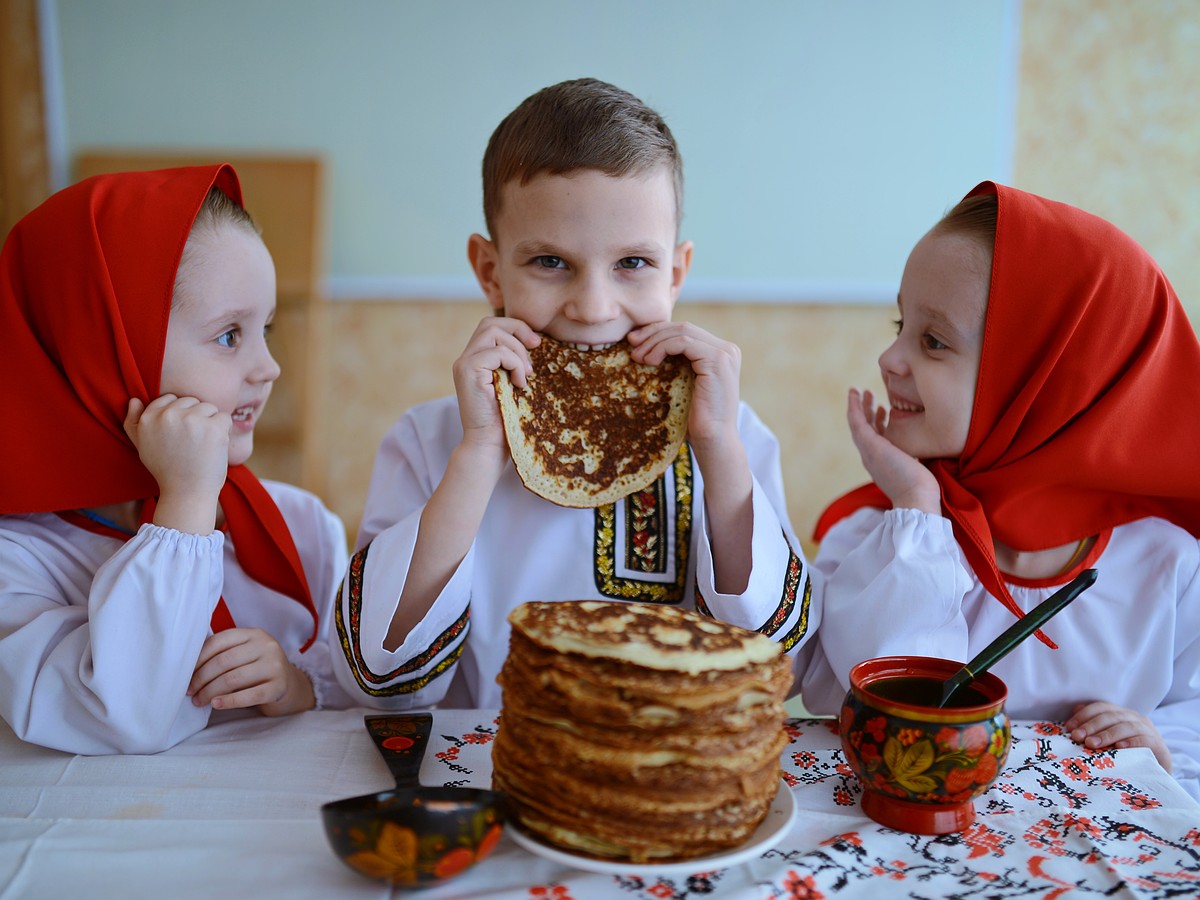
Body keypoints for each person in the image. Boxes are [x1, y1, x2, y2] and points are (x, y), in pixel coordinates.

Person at [331, 78, 816, 708]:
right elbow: (378, 679)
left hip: (674, 777)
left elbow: (777, 665)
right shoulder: (429, 441)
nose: (592, 308)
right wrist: (478, 455)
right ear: (489, 270)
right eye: (551, 262)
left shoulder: (732, 435)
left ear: (675, 273)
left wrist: (719, 449)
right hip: (491, 776)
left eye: (633, 264)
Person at [799, 181, 1200, 801]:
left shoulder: (1169, 563)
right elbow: (874, 711)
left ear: (1047, 379)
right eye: (901, 323)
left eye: (933, 341)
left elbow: (1193, 719)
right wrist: (914, 506)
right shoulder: (879, 538)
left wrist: (1158, 745)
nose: (889, 357)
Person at [0, 165, 357, 755]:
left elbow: (364, 706)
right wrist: (187, 504)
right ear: (103, 349)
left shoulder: (303, 526)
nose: (269, 368)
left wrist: (296, 686)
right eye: (228, 336)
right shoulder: (19, 560)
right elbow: (119, 716)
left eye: (264, 329)